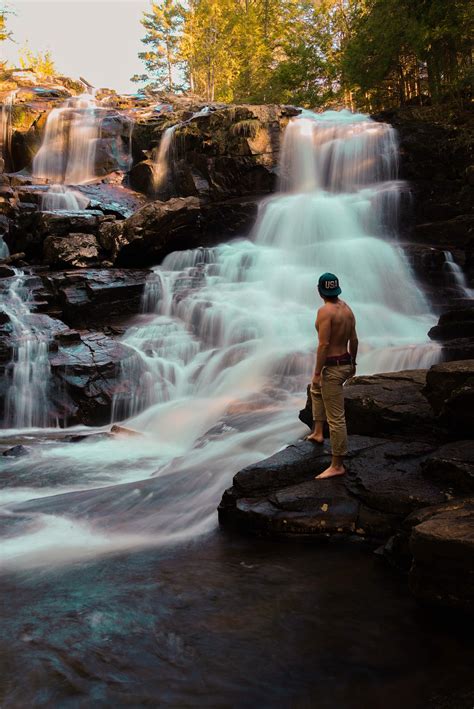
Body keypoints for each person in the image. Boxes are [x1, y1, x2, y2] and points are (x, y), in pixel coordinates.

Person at [307, 272, 358, 479]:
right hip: (345, 362)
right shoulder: (347, 309)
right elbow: (354, 339)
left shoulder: (325, 312)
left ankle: (337, 465)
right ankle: (318, 432)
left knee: (336, 419)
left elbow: (324, 344)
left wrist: (317, 372)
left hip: (332, 367)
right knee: (315, 390)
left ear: (320, 290)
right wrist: (353, 363)